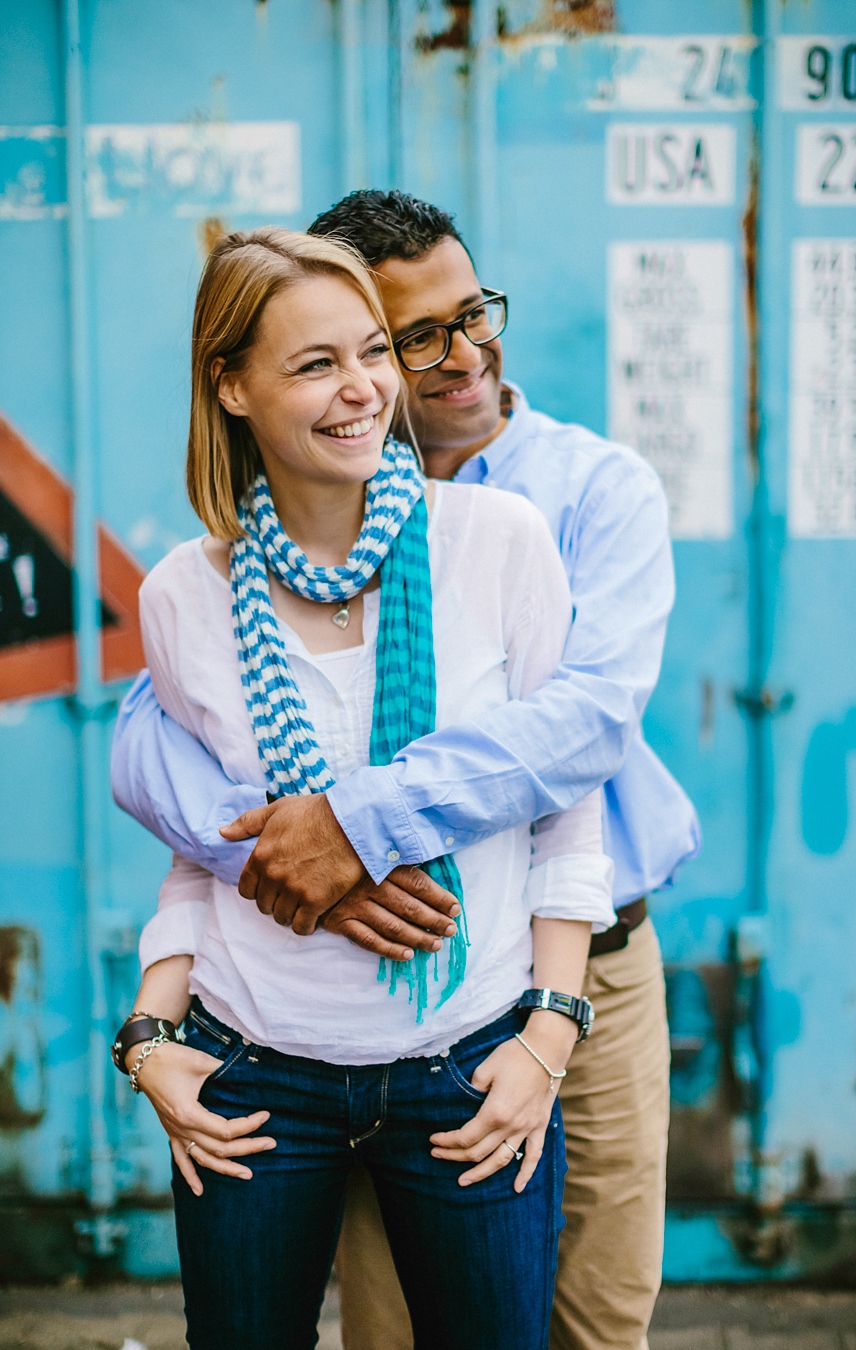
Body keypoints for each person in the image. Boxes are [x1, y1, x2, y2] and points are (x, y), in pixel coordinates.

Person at [112, 194, 701, 1350]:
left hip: (582, 961)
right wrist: (279, 862)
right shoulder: (211, 577)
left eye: (468, 316)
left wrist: (351, 827)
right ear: (250, 379)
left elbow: (583, 731)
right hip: (327, 1020)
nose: (457, 355)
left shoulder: (576, 496)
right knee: (387, 1328)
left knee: (597, 1313)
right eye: (406, 334)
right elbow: (158, 741)